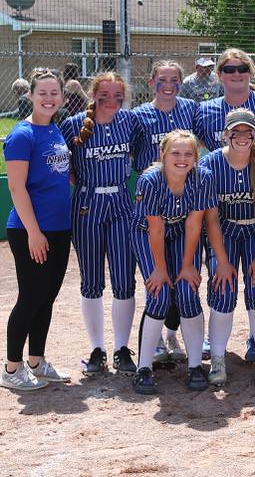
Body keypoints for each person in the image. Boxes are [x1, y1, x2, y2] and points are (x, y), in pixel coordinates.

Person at [60, 72, 140, 378]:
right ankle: (97, 349)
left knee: (123, 278)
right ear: (93, 93)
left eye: (117, 94)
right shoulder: (74, 124)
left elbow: (144, 153)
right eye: (104, 93)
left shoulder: (130, 122)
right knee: (91, 279)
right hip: (86, 204)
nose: (111, 99)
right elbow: (61, 164)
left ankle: (121, 348)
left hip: (120, 201)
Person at [1, 69, 72, 391]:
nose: (49, 98)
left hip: (59, 228)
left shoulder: (55, 129)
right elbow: (17, 189)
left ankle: (36, 361)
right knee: (30, 297)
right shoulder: (22, 134)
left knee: (47, 297)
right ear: (30, 95)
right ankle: (12, 369)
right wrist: (34, 232)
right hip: (31, 230)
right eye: (42, 93)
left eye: (54, 92)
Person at [130, 130, 215, 394]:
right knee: (159, 294)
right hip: (148, 233)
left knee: (189, 292)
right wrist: (159, 269)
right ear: (163, 155)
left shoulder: (202, 177)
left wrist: (188, 265)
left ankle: (194, 366)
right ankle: (143, 368)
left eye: (188, 153)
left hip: (180, 231)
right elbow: (155, 229)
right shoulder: (151, 180)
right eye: (175, 153)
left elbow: (194, 225)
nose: (182, 158)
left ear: (196, 157)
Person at [201, 109, 255, 386]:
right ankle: (218, 359)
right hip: (224, 230)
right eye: (236, 131)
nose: (242, 137)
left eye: (248, 132)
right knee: (223, 290)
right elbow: (210, 216)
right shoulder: (211, 164)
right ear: (227, 134)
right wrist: (222, 260)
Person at [131, 60, 198, 363]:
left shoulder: (190, 109)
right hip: (154, 201)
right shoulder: (138, 116)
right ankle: (154, 341)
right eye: (162, 79)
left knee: (183, 282)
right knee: (157, 281)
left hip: (182, 205)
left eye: (174, 79)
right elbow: (127, 151)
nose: (168, 84)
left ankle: (174, 335)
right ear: (151, 82)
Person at [194, 49, 255, 157]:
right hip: (225, 173)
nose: (237, 74)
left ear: (250, 72)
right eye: (229, 70)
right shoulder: (205, 111)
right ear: (219, 74)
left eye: (243, 69)